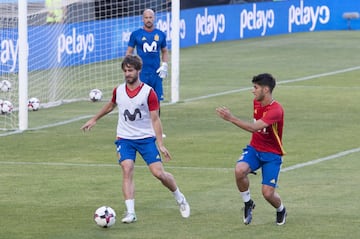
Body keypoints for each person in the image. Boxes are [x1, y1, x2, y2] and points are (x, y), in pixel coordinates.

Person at [81, 55, 190, 223]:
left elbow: (155, 119)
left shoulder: (149, 93)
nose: (127, 73)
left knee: (159, 174)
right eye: (125, 70)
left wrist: (160, 143)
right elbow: (111, 105)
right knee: (127, 168)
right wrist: (94, 119)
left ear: (138, 70)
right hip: (124, 139)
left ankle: (180, 197)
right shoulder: (118, 90)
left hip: (146, 139)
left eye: (130, 70)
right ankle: (130, 212)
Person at [216, 73, 287, 226]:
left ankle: (281, 209)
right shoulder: (257, 102)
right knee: (239, 170)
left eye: (255, 87)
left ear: (266, 90)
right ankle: (248, 203)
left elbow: (254, 127)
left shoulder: (276, 110)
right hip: (255, 149)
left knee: (267, 194)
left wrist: (231, 118)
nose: (252, 91)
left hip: (272, 154)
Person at [126, 9, 168, 103]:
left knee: (156, 102)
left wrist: (164, 65)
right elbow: (129, 52)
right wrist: (130, 68)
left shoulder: (161, 34)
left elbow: (164, 51)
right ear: (142, 19)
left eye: (150, 17)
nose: (148, 20)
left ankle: (156, 118)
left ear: (154, 18)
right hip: (141, 74)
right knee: (141, 101)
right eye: (146, 17)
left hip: (156, 73)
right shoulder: (136, 34)